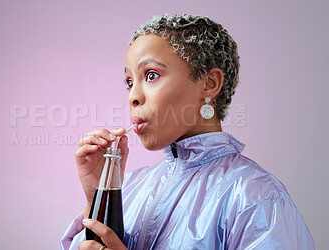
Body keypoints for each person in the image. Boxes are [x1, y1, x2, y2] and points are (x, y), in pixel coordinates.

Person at [59, 14, 314, 249]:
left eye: (150, 75)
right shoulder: (131, 187)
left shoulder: (255, 197)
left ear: (209, 83)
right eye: (129, 82)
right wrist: (100, 200)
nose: (133, 97)